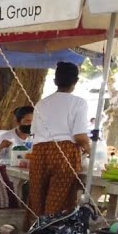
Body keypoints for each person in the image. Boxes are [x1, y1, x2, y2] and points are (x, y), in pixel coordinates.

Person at [27, 61, 92, 225]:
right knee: (59, 200)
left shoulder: (42, 103)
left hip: (39, 153)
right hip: (64, 152)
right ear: (75, 82)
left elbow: (35, 132)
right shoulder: (78, 103)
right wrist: (90, 150)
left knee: (37, 198)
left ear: (55, 81)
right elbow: (80, 137)